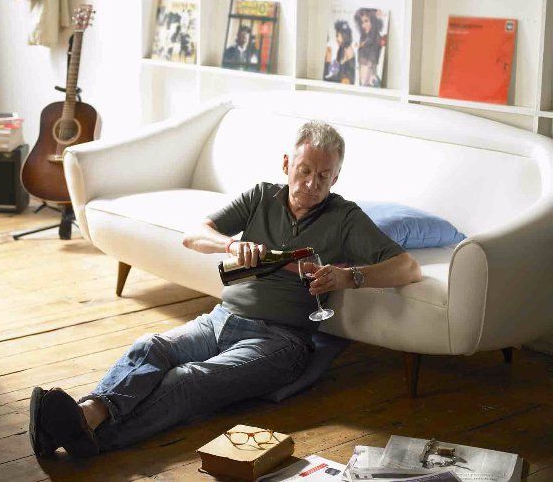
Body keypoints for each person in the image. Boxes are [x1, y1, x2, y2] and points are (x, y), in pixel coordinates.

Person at [28, 121, 422, 459]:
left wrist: (348, 276)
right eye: (303, 171)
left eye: (324, 176)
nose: (311, 184)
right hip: (222, 318)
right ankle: (88, 415)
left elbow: (407, 267)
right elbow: (194, 235)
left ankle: (86, 436)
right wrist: (231, 245)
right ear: (287, 164)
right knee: (151, 346)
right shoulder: (260, 196)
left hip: (281, 342)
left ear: (335, 177)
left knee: (187, 380)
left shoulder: (345, 217)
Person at [354, 8, 385, 88]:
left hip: (369, 79)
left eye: (366, 21)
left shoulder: (376, 39)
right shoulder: (363, 38)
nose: (363, 25)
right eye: (361, 23)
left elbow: (371, 62)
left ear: (373, 21)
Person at [324, 20, 355, 84]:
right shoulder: (341, 49)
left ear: (344, 36)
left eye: (337, 35)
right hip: (338, 78)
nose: (336, 39)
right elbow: (336, 68)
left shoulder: (349, 51)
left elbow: (350, 76)